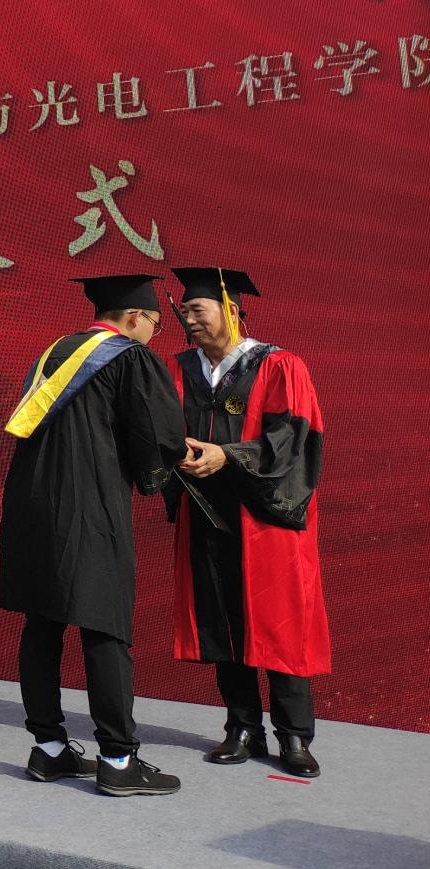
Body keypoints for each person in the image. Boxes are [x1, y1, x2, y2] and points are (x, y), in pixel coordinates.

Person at [0, 276, 185, 795]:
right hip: (89, 506)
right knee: (105, 625)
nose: (153, 333)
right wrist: (163, 468)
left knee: (43, 623)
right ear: (133, 317)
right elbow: (159, 435)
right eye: (154, 324)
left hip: (33, 504)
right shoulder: (128, 357)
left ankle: (48, 749)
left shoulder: (54, 353)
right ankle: (118, 759)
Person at [167, 266, 329, 778]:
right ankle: (242, 727)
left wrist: (228, 456)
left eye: (198, 309)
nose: (189, 319)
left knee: (280, 622)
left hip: (267, 517)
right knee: (222, 620)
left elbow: (292, 440)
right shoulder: (180, 370)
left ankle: (294, 735)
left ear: (231, 310)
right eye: (183, 311)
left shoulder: (279, 366)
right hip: (207, 514)